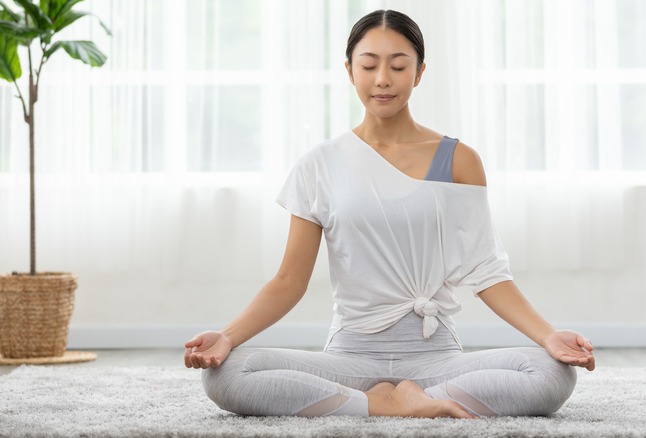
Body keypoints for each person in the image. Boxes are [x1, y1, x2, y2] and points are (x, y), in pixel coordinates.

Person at [184, 9, 595, 419]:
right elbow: (289, 280)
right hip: (350, 359)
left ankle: (394, 400)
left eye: (398, 66)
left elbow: (487, 271)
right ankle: (381, 403)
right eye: (369, 65)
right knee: (229, 373)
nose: (382, 79)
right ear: (350, 71)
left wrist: (549, 335)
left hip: (436, 361)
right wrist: (226, 336)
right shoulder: (320, 164)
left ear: (418, 73)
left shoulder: (457, 160)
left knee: (549, 372)